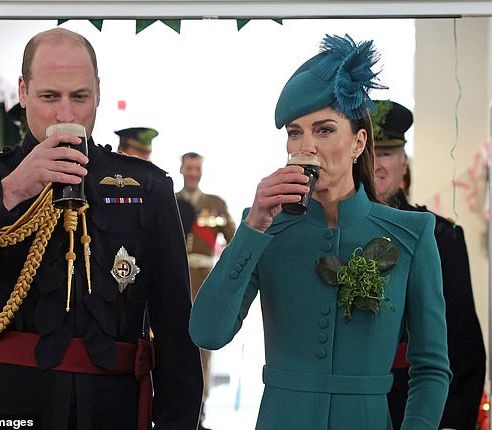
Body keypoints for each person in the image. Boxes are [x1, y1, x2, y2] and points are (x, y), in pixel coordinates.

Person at [0, 28, 202, 430]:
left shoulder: (147, 187)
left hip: (112, 410)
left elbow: (175, 337)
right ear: (23, 91)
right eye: (50, 97)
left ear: (98, 93)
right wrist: (10, 191)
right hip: (6, 407)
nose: (65, 115)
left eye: (79, 97)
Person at [189, 34, 452, 429]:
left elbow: (432, 367)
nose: (306, 146)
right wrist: (254, 225)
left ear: (358, 141)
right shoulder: (264, 227)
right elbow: (207, 332)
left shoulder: (412, 233)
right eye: (295, 132)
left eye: (324, 130)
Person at [372, 99, 486, 430]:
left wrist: (452, 421)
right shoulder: (337, 234)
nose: (377, 165)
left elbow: (464, 348)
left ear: (404, 163)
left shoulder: (441, 235)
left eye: (387, 154)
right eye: (370, 154)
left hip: (419, 404)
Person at [176, 152, 236, 430]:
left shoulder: (215, 205)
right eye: (188, 167)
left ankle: (198, 415)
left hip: (202, 285)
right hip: (174, 280)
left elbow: (235, 243)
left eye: (196, 168)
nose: (192, 172)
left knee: (201, 350)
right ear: (181, 169)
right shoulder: (170, 202)